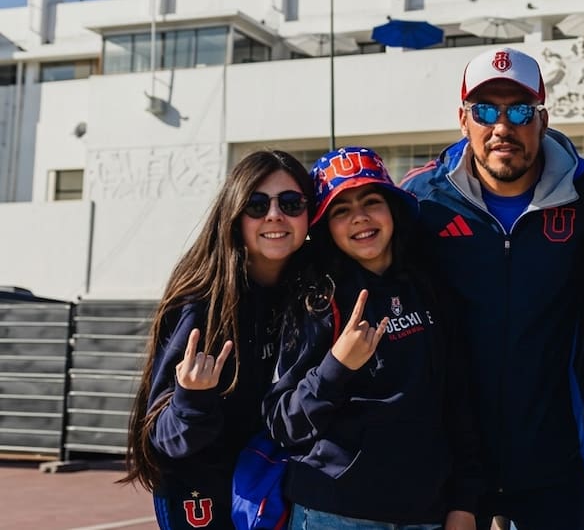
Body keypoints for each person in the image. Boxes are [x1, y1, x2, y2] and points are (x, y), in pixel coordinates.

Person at [401, 47, 584, 530]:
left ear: (543, 119)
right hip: (451, 460)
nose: (502, 127)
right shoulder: (421, 199)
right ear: (463, 119)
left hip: (556, 459)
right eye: (485, 111)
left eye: (520, 110)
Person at [265, 147, 482, 529]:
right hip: (335, 513)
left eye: (371, 201)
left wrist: (465, 502)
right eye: (341, 210)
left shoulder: (428, 286)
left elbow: (459, 402)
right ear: (325, 227)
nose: (360, 218)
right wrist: (336, 367)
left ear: (393, 210)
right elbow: (284, 422)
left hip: (425, 512)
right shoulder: (316, 301)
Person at [121, 150, 314, 529]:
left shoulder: (316, 294)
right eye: (256, 205)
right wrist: (191, 397)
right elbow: (162, 437)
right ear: (235, 215)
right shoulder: (203, 305)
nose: (275, 215)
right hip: (204, 492)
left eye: (290, 203)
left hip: (273, 484)